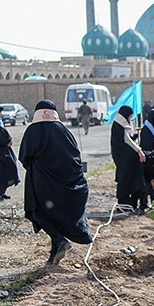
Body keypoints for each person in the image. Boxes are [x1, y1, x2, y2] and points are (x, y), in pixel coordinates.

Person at [18, 99, 93, 265]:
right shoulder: (64, 130)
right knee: (55, 215)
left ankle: (59, 241)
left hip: (41, 183)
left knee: (38, 213)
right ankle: (54, 254)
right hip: (67, 184)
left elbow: (24, 157)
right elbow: (75, 158)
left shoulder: (32, 130)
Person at [110, 105, 147, 212]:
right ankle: (124, 205)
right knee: (125, 179)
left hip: (126, 158)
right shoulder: (119, 125)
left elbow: (129, 137)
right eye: (130, 116)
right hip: (124, 158)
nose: (130, 118)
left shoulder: (121, 124)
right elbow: (127, 140)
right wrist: (139, 150)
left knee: (130, 178)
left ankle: (131, 204)